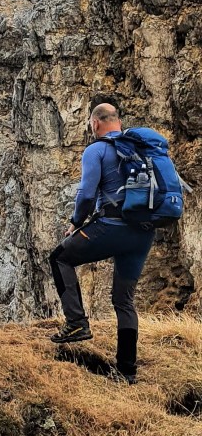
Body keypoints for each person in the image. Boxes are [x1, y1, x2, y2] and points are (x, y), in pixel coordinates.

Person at [48, 102, 155, 383]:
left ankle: (76, 323)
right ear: (118, 121)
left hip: (112, 227)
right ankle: (127, 372)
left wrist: (76, 222)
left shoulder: (96, 150)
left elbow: (86, 193)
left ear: (95, 123)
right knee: (123, 300)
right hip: (143, 233)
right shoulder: (142, 148)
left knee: (59, 257)